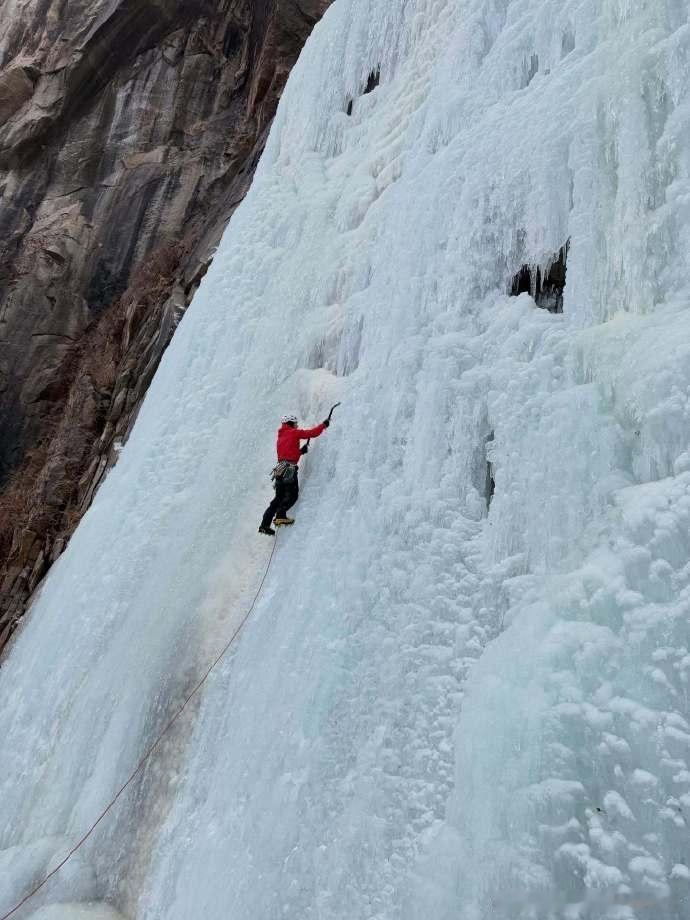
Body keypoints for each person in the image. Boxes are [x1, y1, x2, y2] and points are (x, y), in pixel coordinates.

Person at [259, 413, 330, 535]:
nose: (297, 425)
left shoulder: (280, 437)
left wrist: (300, 452)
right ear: (291, 423)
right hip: (289, 470)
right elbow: (311, 433)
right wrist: (324, 425)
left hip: (279, 469)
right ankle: (280, 516)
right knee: (293, 495)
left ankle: (264, 525)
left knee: (278, 498)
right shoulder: (293, 432)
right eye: (295, 423)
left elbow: (287, 455)